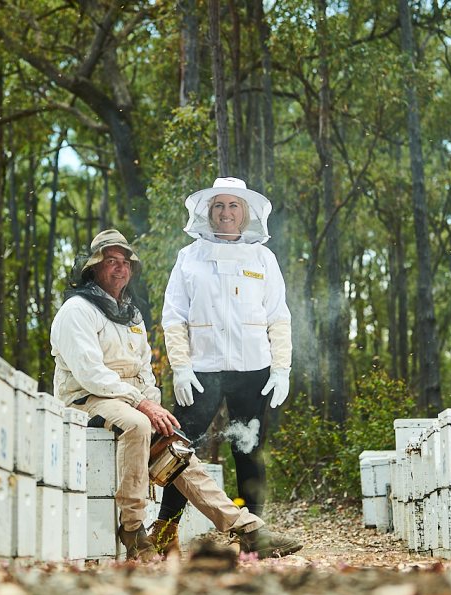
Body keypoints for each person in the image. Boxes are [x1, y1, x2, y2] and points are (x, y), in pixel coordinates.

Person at [50, 228, 302, 561]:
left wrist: (150, 402)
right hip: (86, 398)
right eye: (110, 261)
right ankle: (133, 530)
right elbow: (91, 374)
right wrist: (143, 405)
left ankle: (247, 528)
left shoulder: (130, 315)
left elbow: (143, 370)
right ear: (93, 268)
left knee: (177, 445)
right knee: (139, 425)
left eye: (124, 262)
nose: (119, 268)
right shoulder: (77, 310)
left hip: (126, 400)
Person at [147, 177, 292, 555]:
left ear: (245, 214)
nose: (226, 213)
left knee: (248, 450)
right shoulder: (188, 257)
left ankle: (251, 537)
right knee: (178, 449)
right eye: (218, 207)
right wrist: (180, 365)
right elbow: (174, 316)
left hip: (253, 369)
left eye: (233, 206)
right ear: (207, 213)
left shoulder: (263, 258)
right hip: (202, 369)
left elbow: (278, 317)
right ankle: (165, 530)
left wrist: (281, 368)